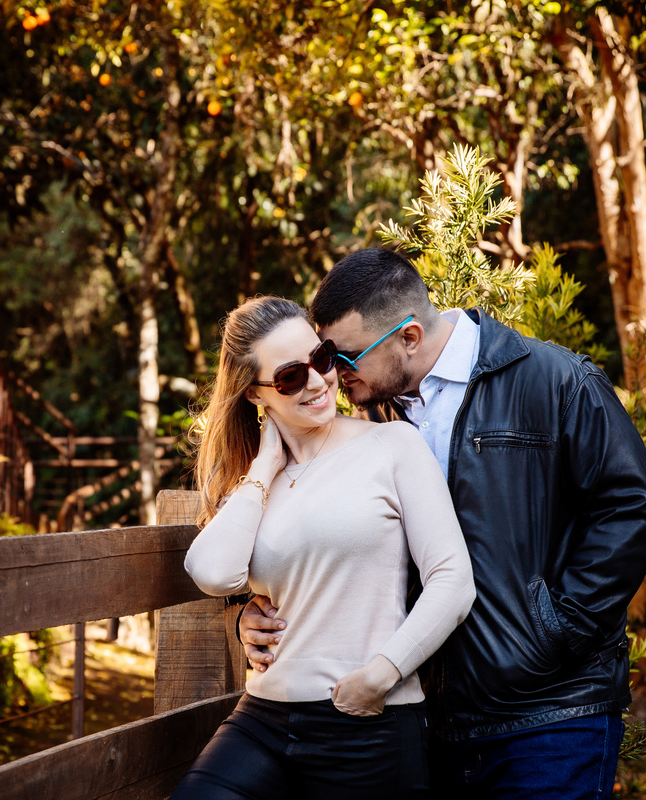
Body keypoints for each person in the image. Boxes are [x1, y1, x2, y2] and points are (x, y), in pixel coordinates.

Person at [239, 249, 646, 799]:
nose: (331, 377)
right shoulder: (364, 413)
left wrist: (553, 631)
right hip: (424, 720)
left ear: (408, 338)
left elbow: (632, 508)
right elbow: (316, 537)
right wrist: (254, 612)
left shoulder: (558, 382)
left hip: (549, 718)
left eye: (343, 358)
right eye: (323, 357)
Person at [172, 295, 474, 799]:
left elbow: (453, 580)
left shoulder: (392, 446)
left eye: (322, 358)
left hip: (368, 718)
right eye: (290, 377)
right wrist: (265, 467)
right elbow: (211, 572)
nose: (317, 381)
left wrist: (382, 675)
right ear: (255, 395)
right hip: (263, 717)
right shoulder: (254, 486)